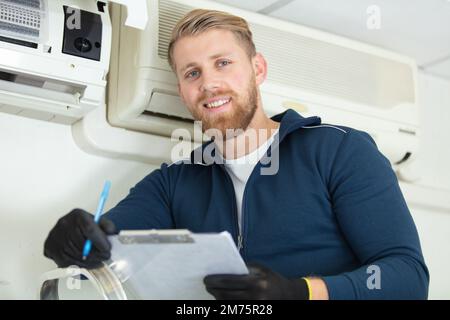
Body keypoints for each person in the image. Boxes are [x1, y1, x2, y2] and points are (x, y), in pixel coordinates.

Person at [44, 9, 429, 300]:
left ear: (257, 69)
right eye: (192, 73)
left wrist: (300, 292)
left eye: (223, 63)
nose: (209, 83)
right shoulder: (174, 181)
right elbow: (105, 241)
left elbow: (407, 276)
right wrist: (74, 242)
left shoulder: (340, 150)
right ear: (182, 90)